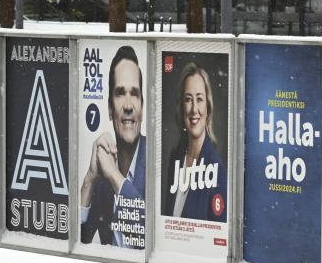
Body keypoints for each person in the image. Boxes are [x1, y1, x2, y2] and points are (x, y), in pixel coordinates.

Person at [80, 46, 147, 249]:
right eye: (120, 93)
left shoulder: (157, 161)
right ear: (110, 109)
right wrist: (90, 179)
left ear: (142, 107)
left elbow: (149, 235)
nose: (128, 105)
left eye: (134, 94)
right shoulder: (103, 173)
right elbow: (76, 239)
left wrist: (115, 178)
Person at [162, 62, 227, 221]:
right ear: (181, 107)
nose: (194, 109)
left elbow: (217, 234)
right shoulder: (176, 157)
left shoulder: (215, 167)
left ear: (208, 107)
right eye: (188, 99)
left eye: (199, 99)